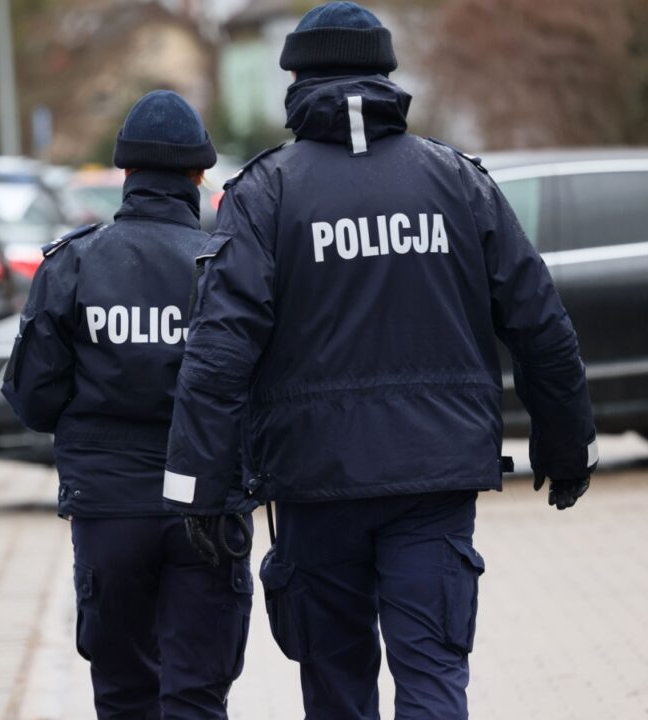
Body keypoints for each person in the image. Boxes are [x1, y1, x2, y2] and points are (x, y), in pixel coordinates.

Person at [162, 3, 597, 718]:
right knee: (432, 675)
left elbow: (218, 352)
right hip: (435, 475)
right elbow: (539, 322)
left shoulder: (266, 194)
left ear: (297, 82)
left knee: (336, 683)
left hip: (314, 482)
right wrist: (569, 444)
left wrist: (196, 489)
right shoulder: (459, 182)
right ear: (387, 77)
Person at [2, 90, 255, 720]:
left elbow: (32, 398)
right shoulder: (227, 266)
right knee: (197, 697)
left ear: (126, 173)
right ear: (198, 176)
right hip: (207, 505)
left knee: (123, 695)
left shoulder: (75, 262)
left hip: (109, 510)